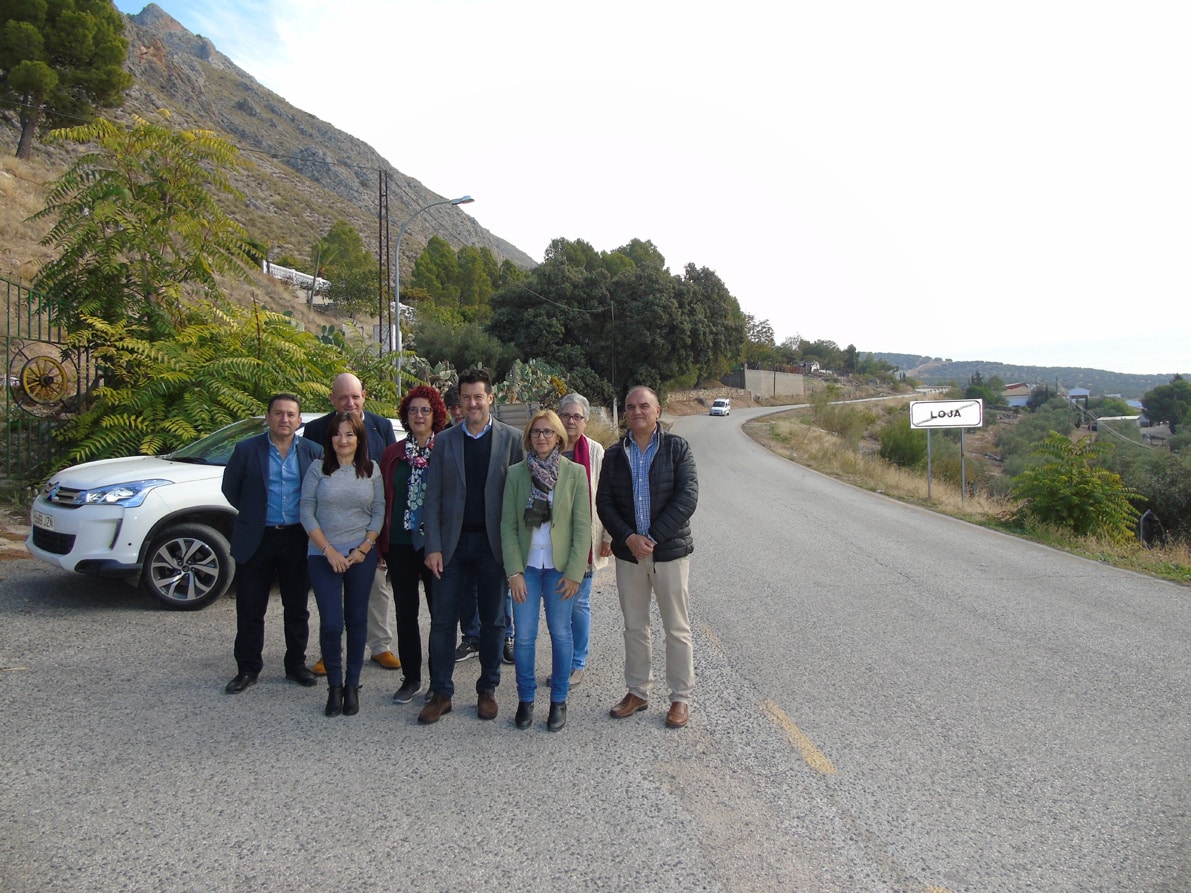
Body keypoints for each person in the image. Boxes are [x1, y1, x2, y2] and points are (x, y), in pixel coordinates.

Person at [419, 368, 524, 724]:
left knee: (494, 621)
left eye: (479, 396)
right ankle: (441, 693)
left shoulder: (512, 440)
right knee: (442, 621)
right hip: (452, 545)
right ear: (459, 403)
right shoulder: (445, 441)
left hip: (494, 545)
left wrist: (517, 551)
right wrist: (433, 546)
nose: (473, 403)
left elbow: (520, 498)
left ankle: (487, 689)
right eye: (466, 397)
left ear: (490, 398)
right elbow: (432, 498)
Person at [596, 386, 699, 729]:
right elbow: (605, 502)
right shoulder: (614, 455)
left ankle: (680, 698)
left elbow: (687, 498)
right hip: (629, 556)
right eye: (630, 407)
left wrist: (652, 538)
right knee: (634, 627)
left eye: (644, 406)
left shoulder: (677, 448)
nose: (636, 411)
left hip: (668, 553)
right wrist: (628, 538)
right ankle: (637, 691)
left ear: (658, 411)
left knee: (677, 628)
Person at [222, 393, 323, 694]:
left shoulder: (313, 451)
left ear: (299, 421)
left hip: (297, 537)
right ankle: (247, 668)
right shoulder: (246, 450)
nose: (284, 419)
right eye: (278, 413)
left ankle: (296, 666)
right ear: (268, 417)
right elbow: (231, 489)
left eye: (291, 414)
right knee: (250, 607)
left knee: (297, 607)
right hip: (258, 537)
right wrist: (254, 514)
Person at [501, 410, 591, 732]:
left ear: (558, 437)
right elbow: (508, 526)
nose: (541, 437)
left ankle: (558, 700)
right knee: (524, 637)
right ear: (529, 437)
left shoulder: (575, 473)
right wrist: (513, 572)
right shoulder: (516, 474)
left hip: (559, 570)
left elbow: (582, 527)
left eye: (548, 432)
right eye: (536, 432)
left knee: (561, 633)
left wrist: (575, 573)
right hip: (526, 569)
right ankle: (525, 699)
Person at [303, 373, 399, 674]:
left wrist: (375, 541)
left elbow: (388, 482)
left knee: (376, 592)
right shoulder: (317, 429)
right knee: (331, 603)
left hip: (368, 535)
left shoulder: (381, 426)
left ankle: (380, 646)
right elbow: (311, 493)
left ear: (364, 396)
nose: (350, 402)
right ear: (332, 399)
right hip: (328, 536)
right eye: (343, 397)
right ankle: (329, 652)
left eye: (355, 396)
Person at [301, 412, 385, 717]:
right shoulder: (318, 469)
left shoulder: (371, 469)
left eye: (350, 434)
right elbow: (306, 511)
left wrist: (364, 548)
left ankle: (352, 685)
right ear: (330, 438)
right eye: (337, 434)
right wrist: (329, 551)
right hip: (323, 555)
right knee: (332, 623)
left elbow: (379, 511)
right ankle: (334, 686)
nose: (343, 440)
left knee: (357, 619)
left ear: (359, 438)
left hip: (360, 555)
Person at [378, 386, 449, 706]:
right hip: (400, 543)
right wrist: (380, 544)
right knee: (405, 613)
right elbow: (383, 498)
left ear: (436, 415)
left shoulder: (446, 449)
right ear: (405, 416)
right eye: (413, 410)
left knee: (440, 614)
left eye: (425, 410)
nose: (419, 415)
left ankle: (438, 679)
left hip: (435, 545)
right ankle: (411, 678)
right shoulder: (393, 453)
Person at [558, 393, 613, 687]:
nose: (571, 421)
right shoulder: (547, 445)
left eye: (577, 416)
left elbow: (606, 496)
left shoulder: (595, 451)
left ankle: (577, 662)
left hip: (585, 540)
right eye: (566, 415)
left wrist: (607, 536)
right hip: (553, 543)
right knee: (558, 606)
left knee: (579, 604)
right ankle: (563, 661)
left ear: (585, 421)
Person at [444, 385, 483, 663]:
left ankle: (505, 636)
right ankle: (471, 637)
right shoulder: (445, 439)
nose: (459, 411)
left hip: (490, 530)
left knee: (499, 590)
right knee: (467, 590)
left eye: (462, 405)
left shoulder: (499, 436)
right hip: (458, 532)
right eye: (454, 407)